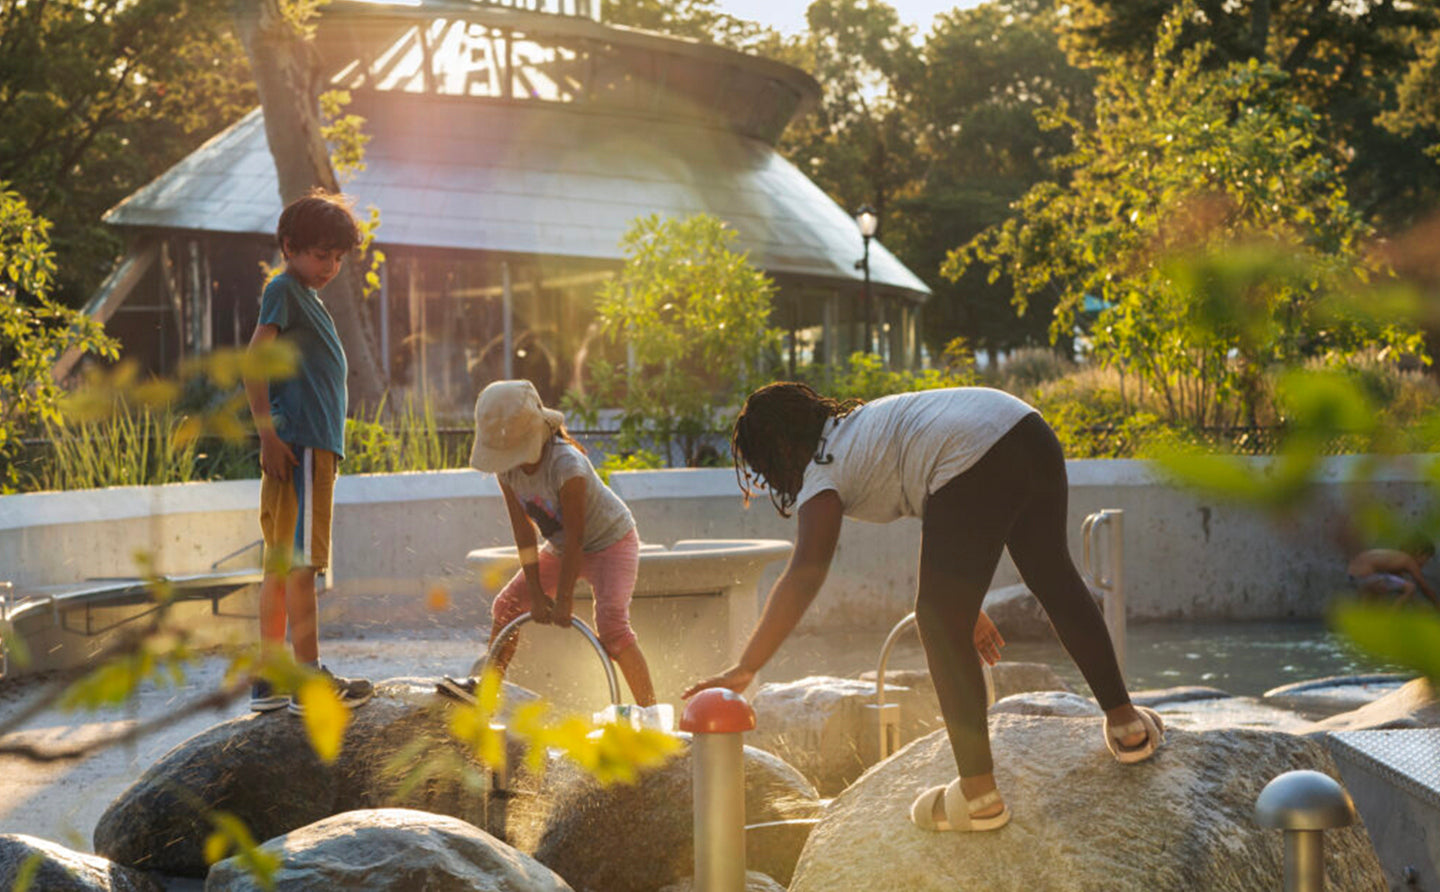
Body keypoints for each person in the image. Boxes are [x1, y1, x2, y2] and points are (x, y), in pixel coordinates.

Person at [683, 382, 1164, 833]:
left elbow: (806, 571)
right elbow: (946, 504)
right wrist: (963, 603)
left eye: (765, 468)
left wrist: (746, 667)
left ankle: (978, 797)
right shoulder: (862, 429)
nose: (770, 480)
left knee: (936, 621)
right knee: (1053, 577)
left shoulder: (821, 468)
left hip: (976, 456)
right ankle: (1127, 726)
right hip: (1026, 429)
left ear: (780, 451)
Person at [438, 379, 659, 712]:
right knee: (507, 606)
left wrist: (564, 599)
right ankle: (486, 694)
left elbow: (576, 537)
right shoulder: (507, 470)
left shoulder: (567, 465)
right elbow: (524, 531)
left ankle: (652, 714)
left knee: (612, 627)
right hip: (560, 547)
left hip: (612, 542)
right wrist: (537, 593)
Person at [243, 190, 373, 715]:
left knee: (281, 565)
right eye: (321, 255)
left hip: (300, 445)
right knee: (301, 566)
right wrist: (269, 433)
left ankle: (270, 678)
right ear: (290, 247)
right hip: (302, 447)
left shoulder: (302, 296)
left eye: (338, 259)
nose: (330, 267)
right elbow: (255, 360)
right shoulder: (286, 289)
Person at [1347, 540, 1439, 607]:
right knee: (1410, 587)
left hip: (1353, 575)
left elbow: (1398, 581)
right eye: (1427, 558)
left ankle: (1366, 621)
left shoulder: (1395, 558)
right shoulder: (1408, 560)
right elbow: (1424, 587)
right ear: (1419, 552)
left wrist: (1416, 604)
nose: (1426, 562)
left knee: (1376, 594)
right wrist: (1436, 604)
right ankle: (1391, 618)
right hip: (1367, 576)